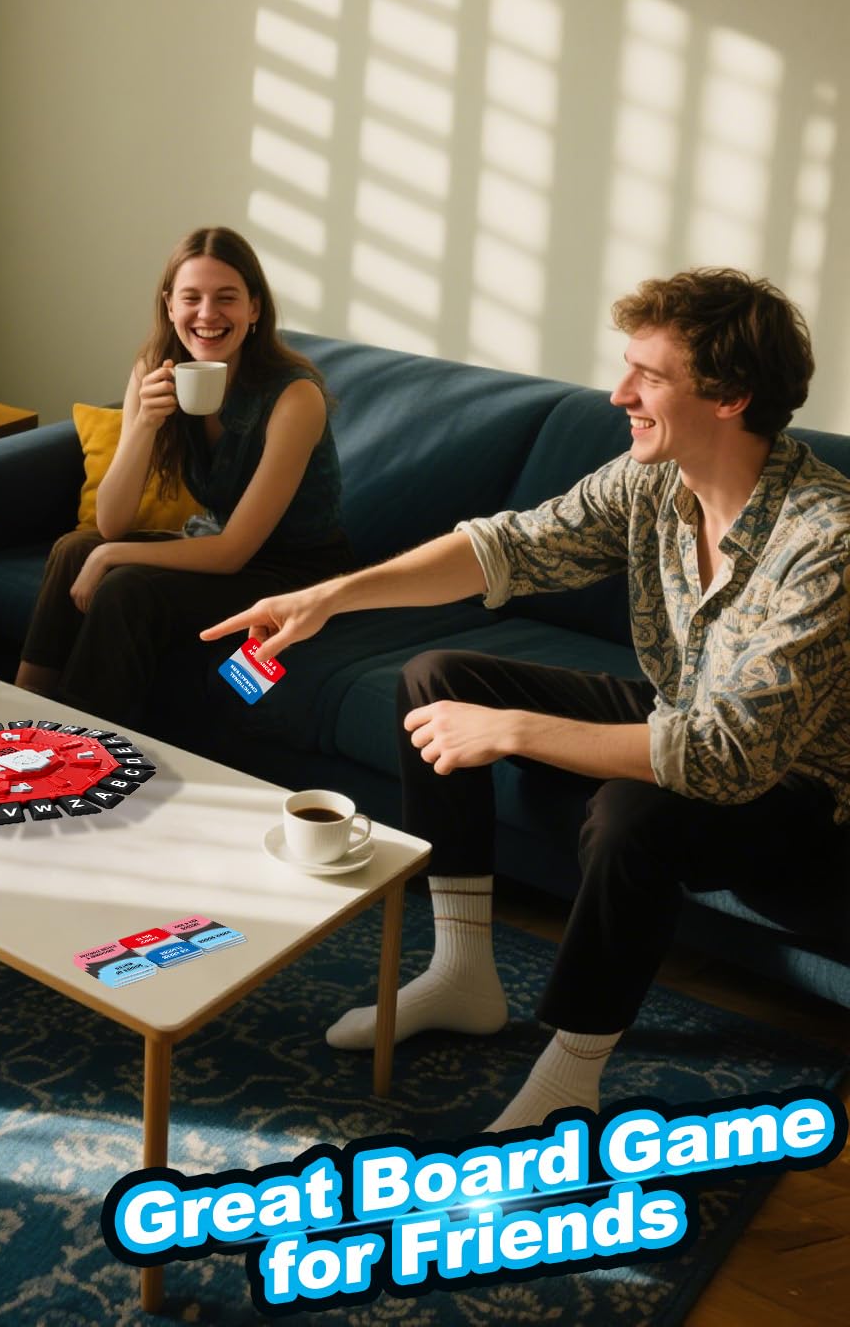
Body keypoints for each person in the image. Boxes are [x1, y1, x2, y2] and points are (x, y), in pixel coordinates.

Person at [204, 267, 849, 1130]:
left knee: (631, 815)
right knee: (439, 677)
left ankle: (570, 1077)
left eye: (649, 377)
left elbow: (726, 757)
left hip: (798, 788)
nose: (620, 394)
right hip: (683, 717)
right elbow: (505, 548)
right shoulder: (653, 482)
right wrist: (330, 598)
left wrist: (510, 730)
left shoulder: (826, 540)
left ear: (730, 397)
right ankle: (462, 973)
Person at [16, 225, 351, 729]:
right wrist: (144, 425)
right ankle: (22, 718)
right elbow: (111, 522)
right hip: (222, 550)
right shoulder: (154, 371)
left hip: (294, 572)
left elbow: (233, 551)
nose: (207, 314)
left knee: (125, 586)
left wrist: (111, 554)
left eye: (227, 298)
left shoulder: (294, 398)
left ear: (254, 309)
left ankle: (88, 750)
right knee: (73, 551)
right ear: (170, 306)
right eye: (191, 298)